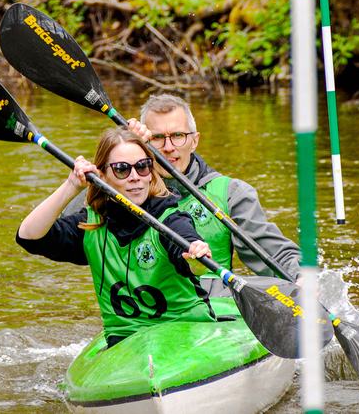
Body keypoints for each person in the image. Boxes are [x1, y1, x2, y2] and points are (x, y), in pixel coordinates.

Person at [16, 127, 215, 347]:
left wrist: (196, 254)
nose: (134, 178)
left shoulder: (169, 218)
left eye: (142, 167)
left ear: (151, 172)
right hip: (125, 341)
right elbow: (28, 236)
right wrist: (71, 185)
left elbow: (193, 260)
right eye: (122, 169)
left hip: (186, 329)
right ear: (103, 176)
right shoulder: (92, 226)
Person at [128, 93, 302, 285]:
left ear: (194, 141)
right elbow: (92, 216)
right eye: (157, 138)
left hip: (217, 309)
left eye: (178, 136)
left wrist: (301, 276)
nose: (168, 147)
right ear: (143, 144)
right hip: (148, 309)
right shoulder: (121, 190)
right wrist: (126, 155)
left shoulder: (232, 194)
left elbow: (275, 252)